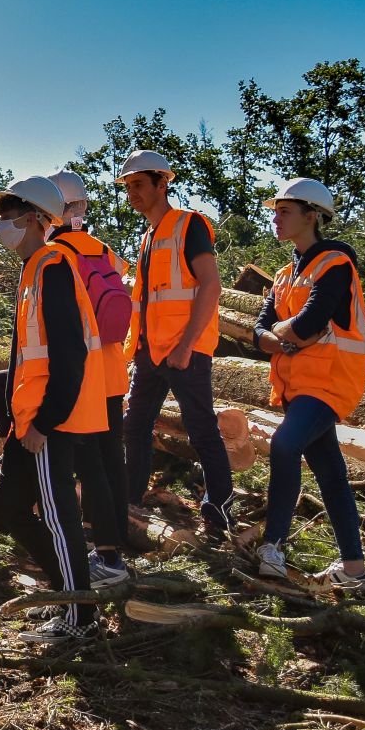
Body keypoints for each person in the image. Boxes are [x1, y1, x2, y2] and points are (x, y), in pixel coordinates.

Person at [0, 176, 110, 643]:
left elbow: (70, 354)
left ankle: (80, 619)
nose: (2, 226)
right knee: (9, 505)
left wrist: (44, 423)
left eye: (10, 217)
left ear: (36, 220)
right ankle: (65, 596)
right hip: (30, 418)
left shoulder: (54, 266)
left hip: (52, 419)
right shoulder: (34, 268)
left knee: (59, 516)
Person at [252, 179, 365, 590]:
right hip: (296, 385)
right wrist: (285, 336)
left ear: (312, 215)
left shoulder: (335, 262)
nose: (275, 218)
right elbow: (258, 332)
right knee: (331, 474)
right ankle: (354, 571)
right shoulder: (286, 274)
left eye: (285, 211)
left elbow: (311, 323)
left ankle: (273, 547)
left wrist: (282, 335)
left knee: (284, 444)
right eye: (275, 210)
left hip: (329, 382)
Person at [116, 149, 233, 540]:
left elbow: (211, 285)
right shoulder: (149, 235)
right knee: (134, 425)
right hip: (152, 351)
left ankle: (218, 516)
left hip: (185, 350)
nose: (131, 192)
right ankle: (130, 499)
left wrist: (186, 346)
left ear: (162, 183)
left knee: (202, 431)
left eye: (138, 185)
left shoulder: (189, 225)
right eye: (128, 186)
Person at [46, 169, 134, 589]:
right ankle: (117, 545)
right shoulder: (104, 249)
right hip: (113, 370)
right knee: (111, 461)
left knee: (89, 465)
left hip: (83, 373)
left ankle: (108, 558)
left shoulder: (54, 255)